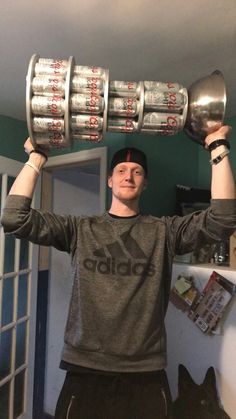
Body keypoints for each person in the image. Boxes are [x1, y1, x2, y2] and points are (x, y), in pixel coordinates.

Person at [1, 125, 236, 419]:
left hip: (145, 374)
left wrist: (218, 147)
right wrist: (36, 158)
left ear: (145, 183)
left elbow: (223, 220)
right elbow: (13, 218)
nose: (128, 175)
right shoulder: (80, 230)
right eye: (122, 170)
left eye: (137, 171)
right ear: (110, 180)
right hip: (84, 371)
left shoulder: (164, 232)